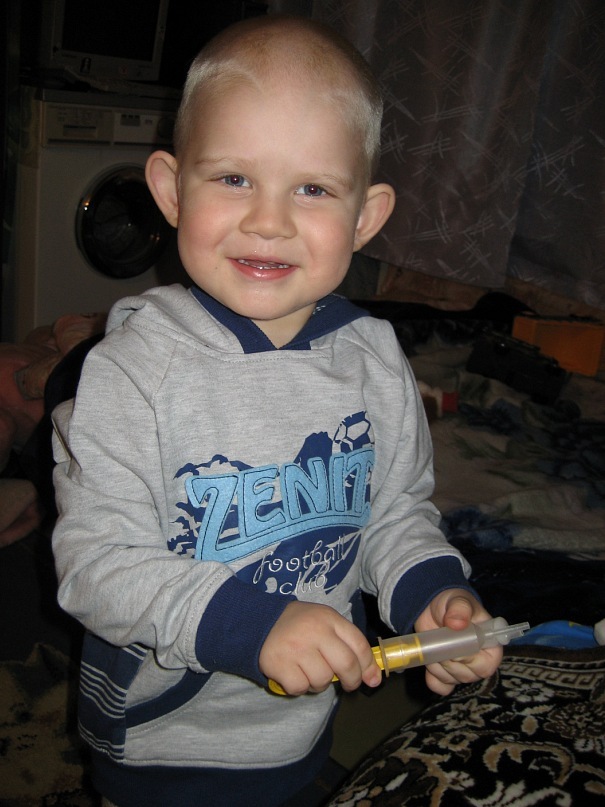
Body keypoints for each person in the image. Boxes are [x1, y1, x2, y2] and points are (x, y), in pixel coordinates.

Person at [51, 14, 502, 807]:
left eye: (312, 189)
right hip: (163, 741)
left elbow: (393, 511)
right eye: (233, 178)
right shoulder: (130, 372)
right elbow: (96, 566)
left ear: (364, 217)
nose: (268, 220)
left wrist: (429, 594)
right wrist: (250, 625)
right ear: (170, 191)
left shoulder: (373, 360)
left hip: (298, 732)